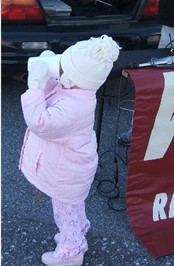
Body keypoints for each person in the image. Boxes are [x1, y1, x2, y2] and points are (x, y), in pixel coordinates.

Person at [19, 35, 120, 266]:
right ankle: (76, 232)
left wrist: (35, 87)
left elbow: (40, 122)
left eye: (62, 66)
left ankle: (72, 250)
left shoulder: (74, 107)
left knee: (64, 210)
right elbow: (56, 91)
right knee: (72, 206)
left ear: (72, 78)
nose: (59, 67)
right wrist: (48, 73)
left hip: (66, 173)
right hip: (71, 168)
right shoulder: (78, 91)